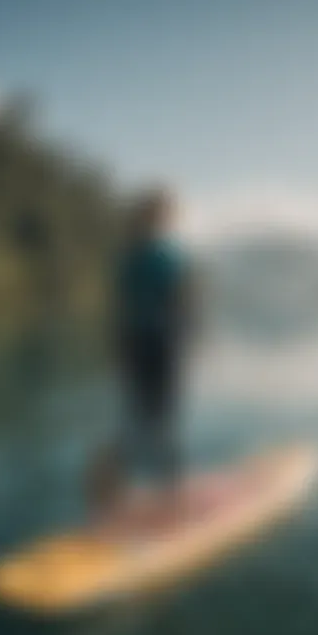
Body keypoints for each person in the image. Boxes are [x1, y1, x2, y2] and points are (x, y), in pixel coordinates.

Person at [87, 187, 196, 528]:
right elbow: (185, 305)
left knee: (136, 417)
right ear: (162, 218)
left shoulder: (128, 257)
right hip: (162, 345)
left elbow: (119, 311)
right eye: (167, 213)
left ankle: (110, 492)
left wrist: (115, 352)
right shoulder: (171, 256)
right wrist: (192, 342)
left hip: (134, 345)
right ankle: (174, 501)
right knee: (164, 420)